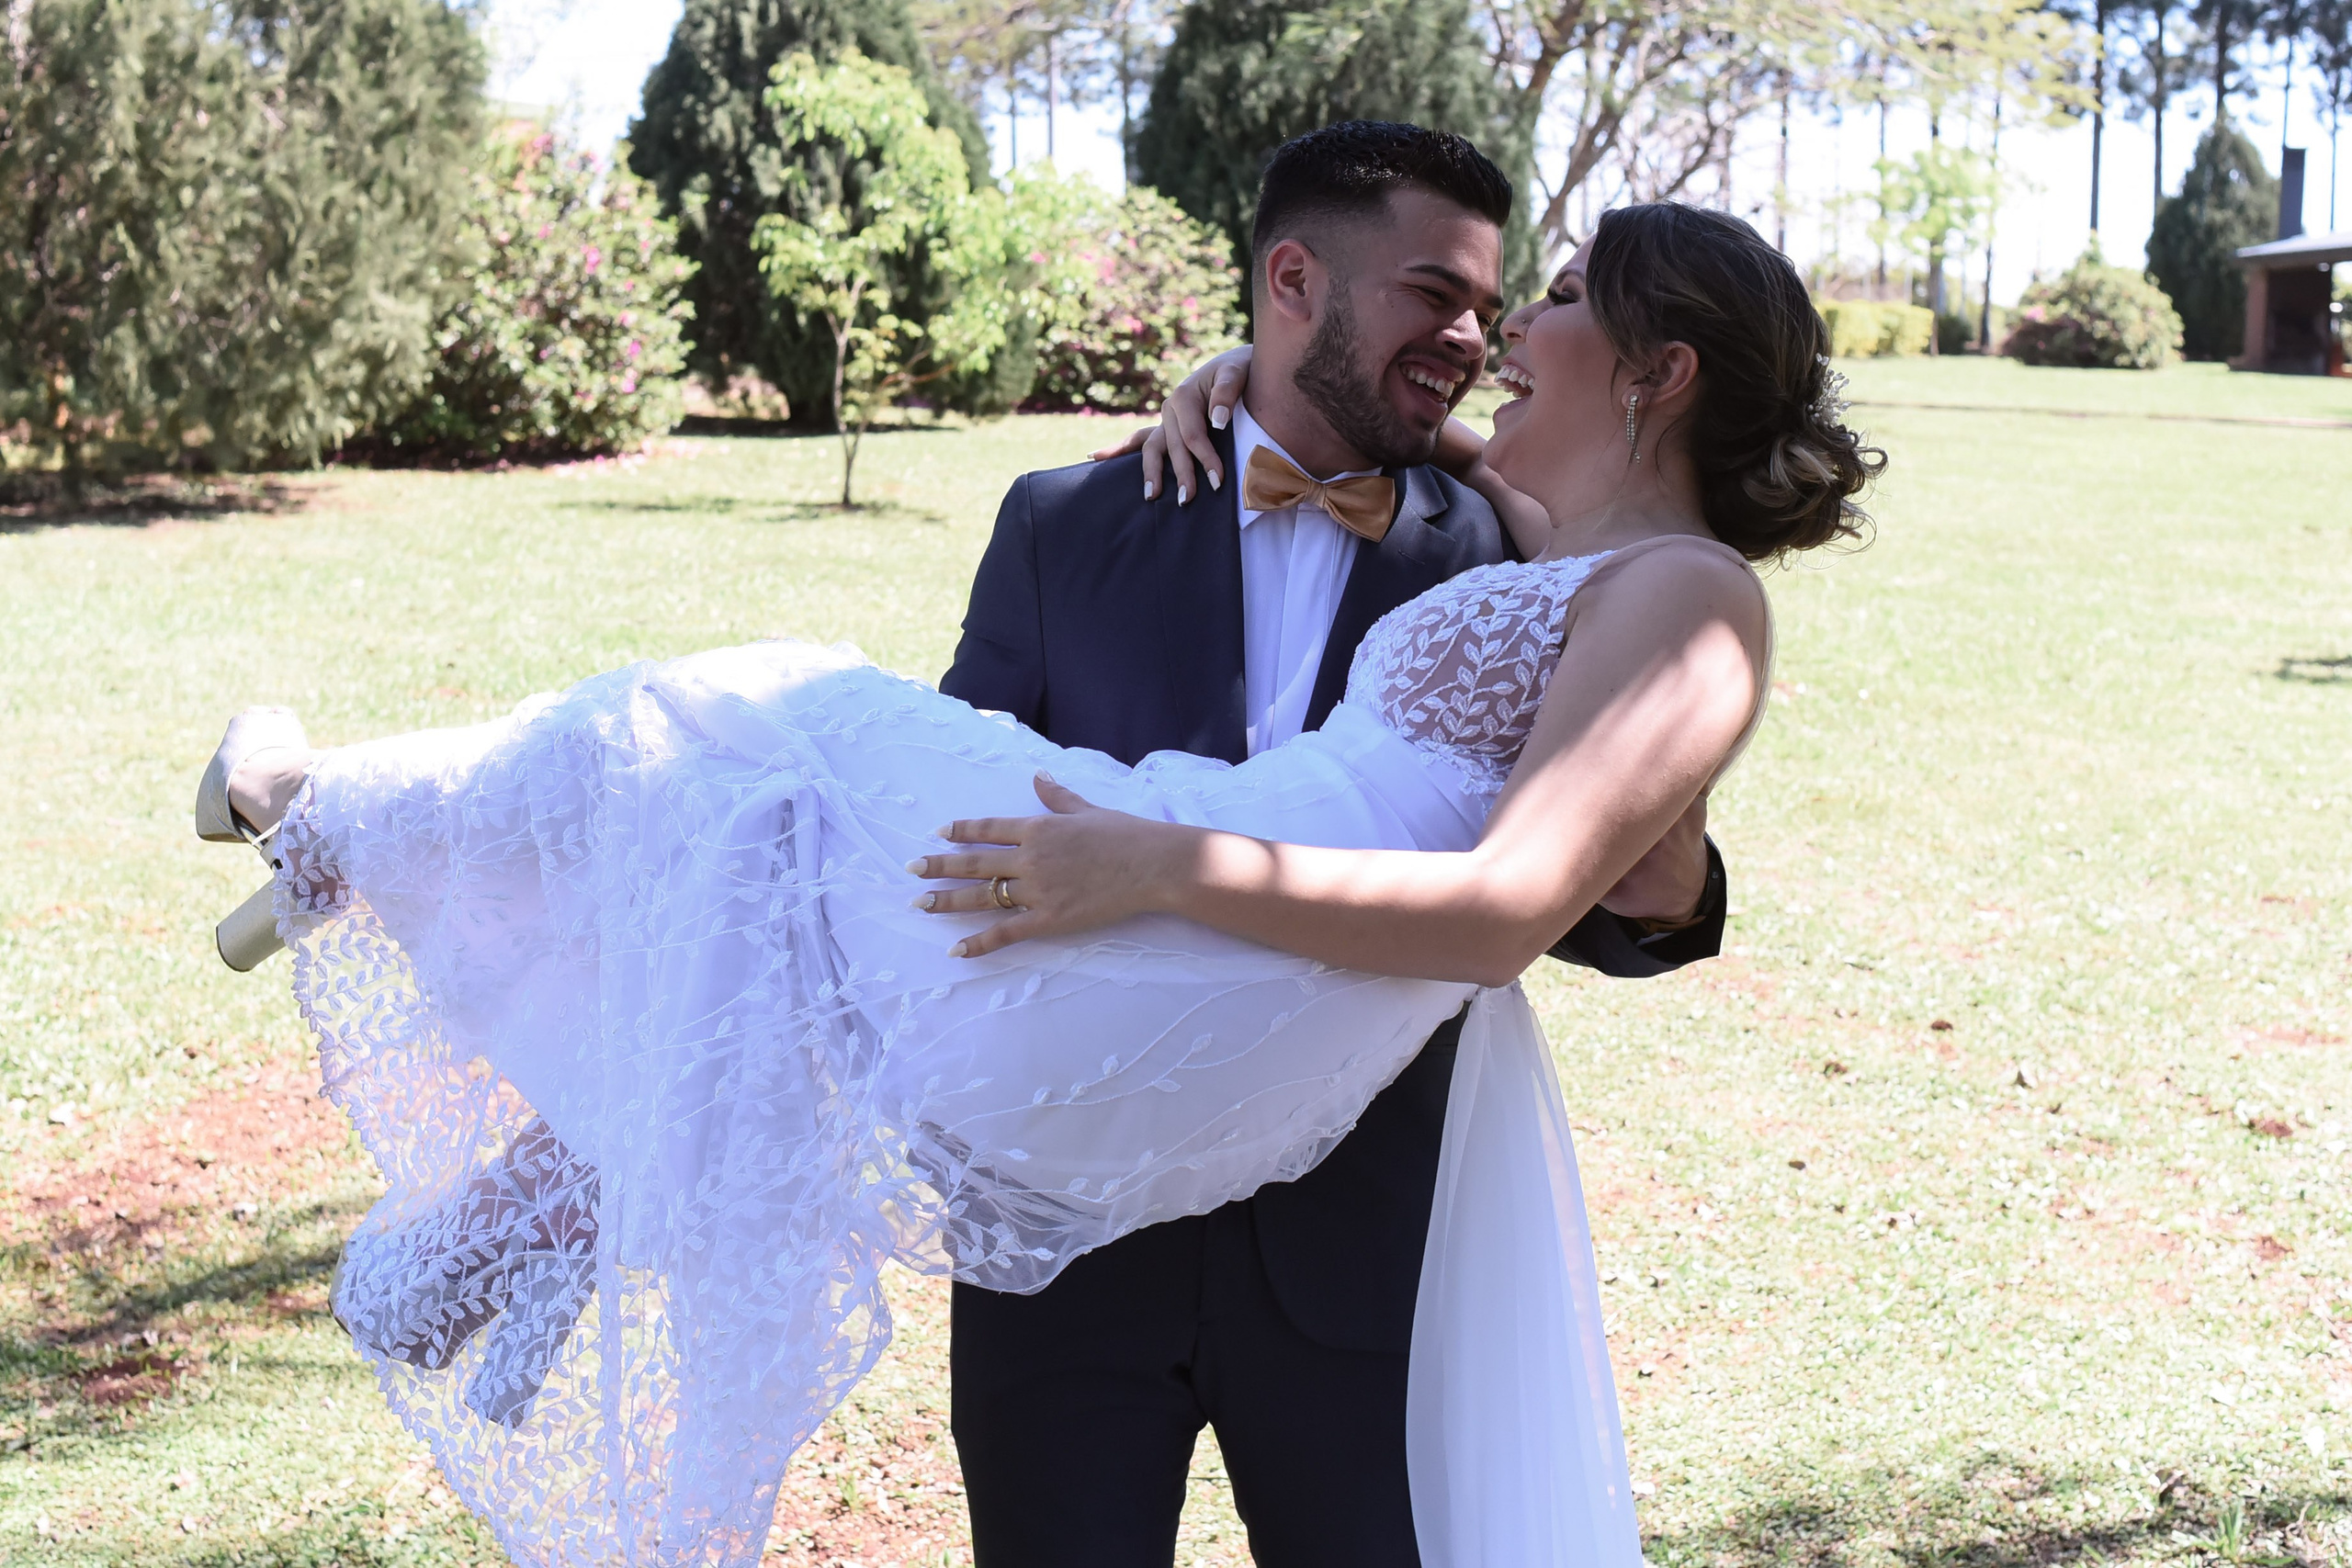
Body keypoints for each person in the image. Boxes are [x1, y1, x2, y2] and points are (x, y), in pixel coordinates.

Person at [192, 188, 1880, 1568]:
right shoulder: (1492, 524)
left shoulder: (1671, 590)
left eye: (1555, 298)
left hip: (1280, 1097)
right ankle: (507, 1198)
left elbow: (1540, 895)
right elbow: (1542, 581)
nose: (1504, 332)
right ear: (1294, 289)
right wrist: (1240, 377)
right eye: (1446, 293)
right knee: (805, 869)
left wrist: (1156, 866)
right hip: (1118, 1162)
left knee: (774, 733)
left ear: (1658, 372)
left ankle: (337, 825)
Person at [938, 122, 1723, 1568]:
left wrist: (1665, 876)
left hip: (1365, 1243)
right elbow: (948, 820)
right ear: (1293, 279)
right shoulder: (1063, 526)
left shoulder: (1515, 555)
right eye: (1439, 298)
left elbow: (1623, 890)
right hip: (1073, 1225)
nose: (1475, 338)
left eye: (1496, 307)